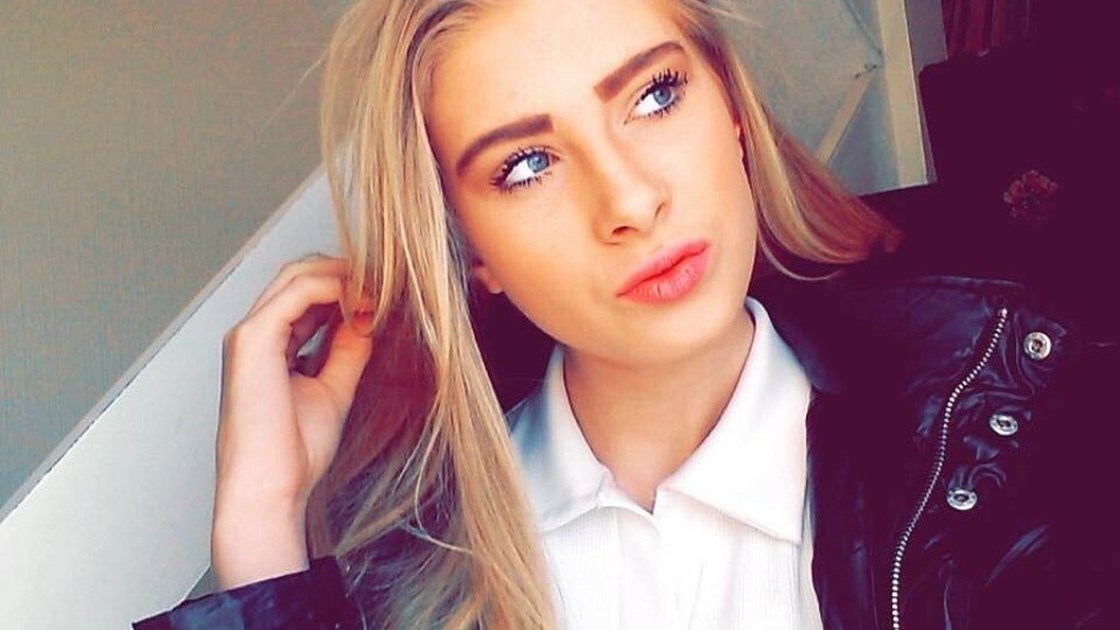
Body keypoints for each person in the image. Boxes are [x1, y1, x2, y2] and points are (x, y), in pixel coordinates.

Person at [135, 0, 1118, 628]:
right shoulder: (398, 583)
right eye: (526, 164)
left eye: (654, 95)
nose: (631, 199)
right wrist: (260, 535)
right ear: (472, 251)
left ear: (733, 111)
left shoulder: (1026, 437)